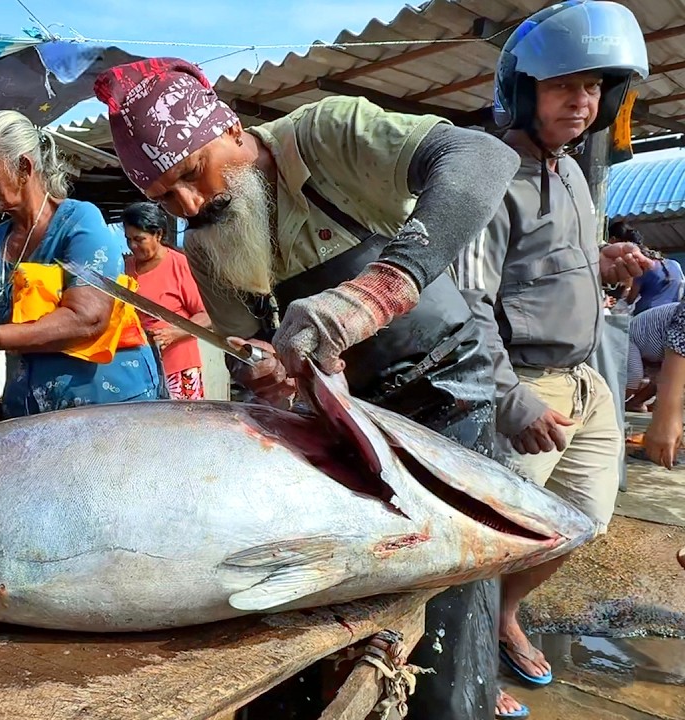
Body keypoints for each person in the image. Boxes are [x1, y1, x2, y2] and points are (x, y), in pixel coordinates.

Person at [95, 57, 519, 719]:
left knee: (446, 600)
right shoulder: (207, 245)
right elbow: (255, 351)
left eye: (189, 174)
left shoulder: (327, 135)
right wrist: (263, 373)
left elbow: (480, 155)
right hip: (340, 415)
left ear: (230, 129)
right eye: (163, 195)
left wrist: (380, 290)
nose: (188, 205)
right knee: (311, 600)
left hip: (440, 393)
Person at [456, 3, 650, 716]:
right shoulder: (489, 179)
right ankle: (471, 670)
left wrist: (603, 261)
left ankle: (503, 617)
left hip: (585, 382)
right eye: (565, 84)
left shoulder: (570, 172)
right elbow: (470, 306)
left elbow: (548, 264)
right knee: (494, 538)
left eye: (595, 86)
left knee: (579, 521)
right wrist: (510, 399)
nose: (584, 99)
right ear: (521, 90)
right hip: (525, 384)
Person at [0, 110, 162, 416]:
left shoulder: (79, 221)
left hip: (102, 406)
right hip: (29, 409)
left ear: (23, 167)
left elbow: (87, 317)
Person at [122, 202, 210, 400]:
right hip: (140, 369)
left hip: (178, 367)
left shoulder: (180, 265)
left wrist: (175, 333)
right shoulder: (125, 268)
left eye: (139, 239)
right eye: (128, 240)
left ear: (158, 235)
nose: (133, 246)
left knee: (185, 426)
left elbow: (207, 315)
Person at [612, 221, 683, 315]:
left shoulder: (643, 272)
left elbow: (630, 300)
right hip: (671, 314)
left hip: (648, 316)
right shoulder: (675, 264)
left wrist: (627, 289)